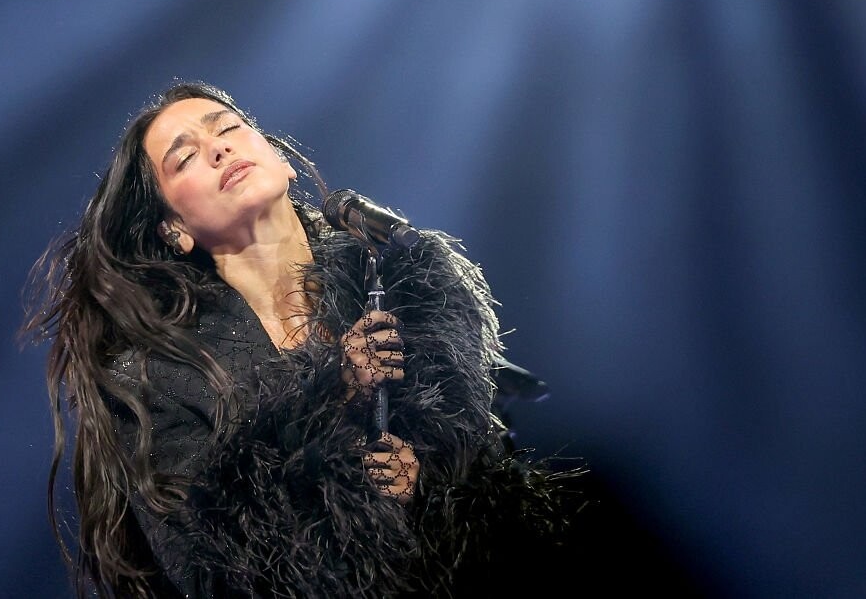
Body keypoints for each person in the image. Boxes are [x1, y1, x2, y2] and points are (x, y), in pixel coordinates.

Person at [28, 82, 572, 599]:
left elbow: (486, 480)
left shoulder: (403, 288)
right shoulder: (154, 373)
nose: (218, 150)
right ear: (175, 229)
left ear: (281, 159)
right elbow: (204, 565)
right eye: (186, 157)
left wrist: (422, 490)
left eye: (228, 129)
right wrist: (336, 393)